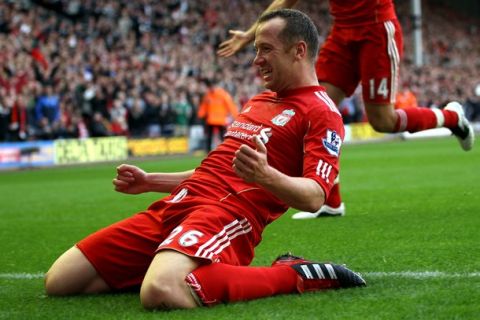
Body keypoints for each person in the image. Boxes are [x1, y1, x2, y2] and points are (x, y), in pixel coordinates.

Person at [44, 9, 366, 310]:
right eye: (256, 50)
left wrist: (265, 175)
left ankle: (294, 273)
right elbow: (215, 171)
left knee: (160, 290)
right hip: (176, 207)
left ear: (298, 50)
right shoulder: (258, 100)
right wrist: (149, 181)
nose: (256, 60)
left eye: (266, 49)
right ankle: (176, 263)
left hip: (226, 215)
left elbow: (315, 197)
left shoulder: (321, 112)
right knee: (61, 280)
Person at [217, 0, 475, 219]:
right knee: (311, 107)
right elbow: (286, 2)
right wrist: (251, 34)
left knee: (383, 121)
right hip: (343, 34)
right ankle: (331, 200)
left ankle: (452, 117)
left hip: (376, 30)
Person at [197, 79, 239, 153]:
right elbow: (204, 107)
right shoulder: (210, 95)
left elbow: (230, 106)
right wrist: (200, 115)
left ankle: (224, 150)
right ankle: (212, 151)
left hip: (219, 120)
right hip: (213, 119)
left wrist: (236, 116)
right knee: (213, 137)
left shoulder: (221, 94)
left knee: (219, 136)